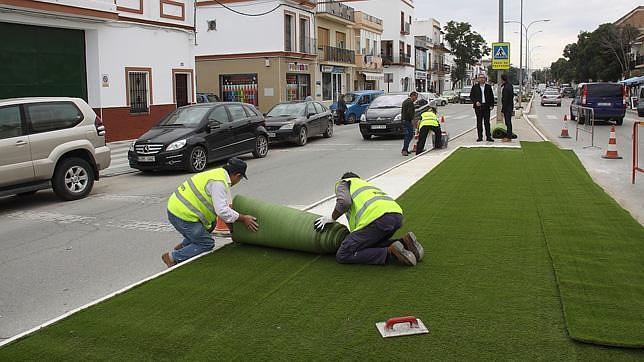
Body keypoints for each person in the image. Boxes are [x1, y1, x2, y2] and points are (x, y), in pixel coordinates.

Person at [162, 158, 259, 267]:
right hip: (182, 214)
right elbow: (222, 211)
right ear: (237, 176)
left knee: (211, 225)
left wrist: (232, 231)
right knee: (206, 243)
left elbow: (223, 210)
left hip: (177, 207)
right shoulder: (219, 183)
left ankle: (186, 246)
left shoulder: (218, 174)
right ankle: (172, 257)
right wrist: (244, 218)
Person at [313, 172, 424, 266]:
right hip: (396, 215)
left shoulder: (345, 183)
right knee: (371, 244)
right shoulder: (365, 184)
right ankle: (404, 242)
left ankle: (390, 252)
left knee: (343, 254)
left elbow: (344, 202)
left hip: (377, 219)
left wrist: (332, 218)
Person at [469, 74, 495, 142]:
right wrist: (475, 102)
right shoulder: (475, 87)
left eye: (483, 78)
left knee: (487, 122)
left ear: (485, 79)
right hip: (478, 107)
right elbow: (471, 96)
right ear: (478, 79)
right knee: (479, 122)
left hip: (486, 106)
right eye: (480, 78)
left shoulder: (488, 87)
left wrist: (492, 105)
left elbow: (491, 96)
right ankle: (480, 137)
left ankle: (488, 136)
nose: (481, 79)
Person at [401, 91, 418, 156]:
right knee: (409, 135)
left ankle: (405, 149)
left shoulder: (405, 101)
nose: (416, 99)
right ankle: (404, 150)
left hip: (404, 120)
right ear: (412, 96)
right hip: (407, 121)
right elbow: (410, 113)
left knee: (408, 135)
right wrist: (413, 122)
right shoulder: (410, 103)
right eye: (415, 97)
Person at [500, 74, 515, 142]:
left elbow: (505, 99)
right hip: (510, 106)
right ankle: (509, 135)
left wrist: (503, 110)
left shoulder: (506, 87)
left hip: (507, 107)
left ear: (502, 80)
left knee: (508, 122)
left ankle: (509, 137)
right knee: (508, 122)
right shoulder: (510, 85)